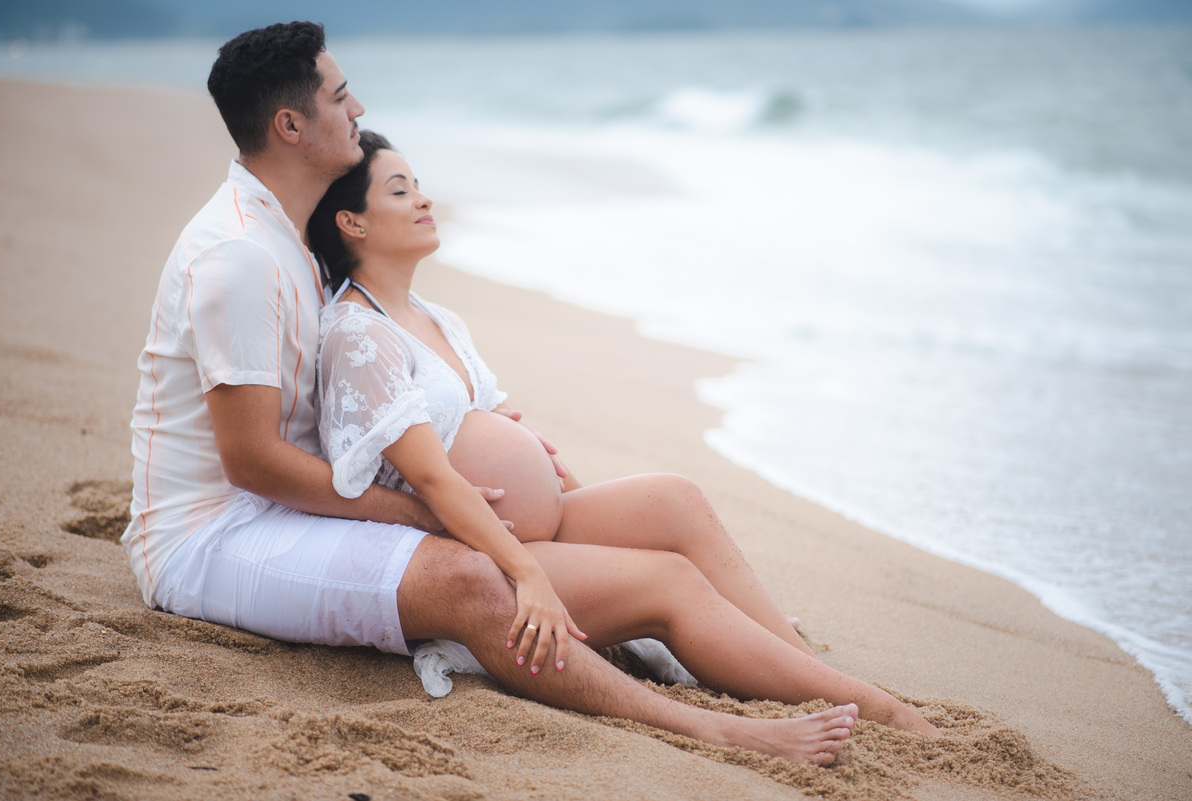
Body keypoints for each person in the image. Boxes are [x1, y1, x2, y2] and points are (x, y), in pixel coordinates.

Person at [117, 20, 906, 768]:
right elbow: (253, 461)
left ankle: (778, 659)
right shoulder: (243, 256)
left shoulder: (300, 244)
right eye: (338, 94)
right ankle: (709, 726)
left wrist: (482, 428)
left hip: (302, 503)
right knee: (473, 578)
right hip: (213, 536)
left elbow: (359, 388)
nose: (358, 108)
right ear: (291, 126)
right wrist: (435, 513)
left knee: (665, 503)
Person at [306, 130, 942, 738]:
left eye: (418, 183)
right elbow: (432, 478)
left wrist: (564, 491)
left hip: (527, 529)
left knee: (673, 498)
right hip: (477, 558)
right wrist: (527, 574)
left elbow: (503, 431)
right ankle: (864, 705)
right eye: (399, 190)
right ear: (353, 222)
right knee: (669, 579)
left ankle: (791, 654)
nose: (424, 198)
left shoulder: (433, 317)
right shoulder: (357, 333)